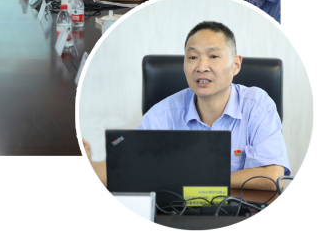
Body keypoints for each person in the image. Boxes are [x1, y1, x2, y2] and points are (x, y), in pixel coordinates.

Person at [84, 21, 289, 191]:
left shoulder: (257, 105)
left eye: (213, 56)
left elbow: (272, 176)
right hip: (176, 212)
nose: (201, 67)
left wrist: (201, 179)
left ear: (236, 64)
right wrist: (88, 163)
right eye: (192, 57)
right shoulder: (164, 113)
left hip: (240, 211)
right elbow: (126, 167)